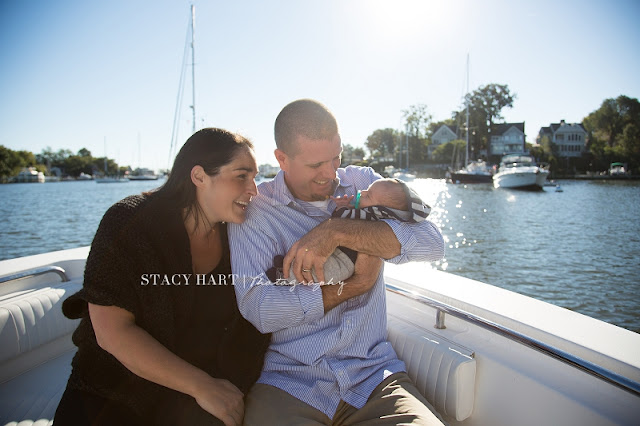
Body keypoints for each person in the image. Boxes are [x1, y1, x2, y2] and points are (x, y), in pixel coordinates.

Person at [229, 99, 446, 425]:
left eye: (336, 158)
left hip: (375, 375)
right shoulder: (257, 212)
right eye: (316, 164)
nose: (330, 174)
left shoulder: (363, 183)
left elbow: (433, 244)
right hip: (291, 381)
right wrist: (352, 286)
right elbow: (259, 307)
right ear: (282, 159)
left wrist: (338, 230)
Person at [54, 128, 270, 426]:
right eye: (242, 176)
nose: (254, 190)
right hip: (112, 391)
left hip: (191, 400)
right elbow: (112, 333)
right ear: (199, 176)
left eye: (255, 177)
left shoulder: (239, 234)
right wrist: (202, 386)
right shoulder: (129, 222)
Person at [266, 178, 431, 284]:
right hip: (338, 252)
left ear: (380, 209)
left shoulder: (371, 215)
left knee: (324, 272)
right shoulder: (370, 212)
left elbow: (341, 218)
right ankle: (290, 266)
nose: (362, 193)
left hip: (347, 263)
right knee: (318, 261)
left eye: (368, 195)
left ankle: (284, 277)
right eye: (367, 190)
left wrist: (342, 209)